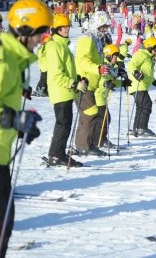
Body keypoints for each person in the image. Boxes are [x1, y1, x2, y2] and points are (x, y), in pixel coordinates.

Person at [0, 0, 46, 257]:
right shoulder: (0, 57)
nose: (42, 38)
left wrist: (20, 122)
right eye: (40, 32)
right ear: (24, 30)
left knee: (1, 224)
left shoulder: (12, 58)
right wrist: (10, 119)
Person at [46, 13, 87, 167]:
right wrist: (73, 83)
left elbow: (67, 70)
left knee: (64, 123)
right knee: (63, 123)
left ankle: (57, 153)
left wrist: (78, 79)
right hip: (60, 90)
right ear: (56, 29)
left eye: (68, 26)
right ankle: (56, 155)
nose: (67, 29)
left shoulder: (62, 45)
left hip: (66, 90)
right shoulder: (54, 46)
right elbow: (57, 74)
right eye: (63, 27)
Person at [74, 11, 111, 157]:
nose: (105, 30)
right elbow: (82, 59)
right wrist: (97, 69)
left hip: (92, 84)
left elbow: (99, 60)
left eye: (106, 26)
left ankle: (90, 144)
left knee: (92, 114)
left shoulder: (97, 39)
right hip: (84, 82)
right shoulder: (87, 38)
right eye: (103, 27)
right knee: (90, 114)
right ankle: (83, 146)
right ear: (96, 25)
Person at [127, 36, 156, 137]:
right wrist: (136, 73)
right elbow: (131, 65)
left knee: (141, 106)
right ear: (150, 47)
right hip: (137, 84)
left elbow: (147, 74)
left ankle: (137, 128)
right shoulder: (141, 53)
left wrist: (155, 82)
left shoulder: (149, 57)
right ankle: (142, 128)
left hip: (141, 85)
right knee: (146, 104)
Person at [34, 31, 51, 97]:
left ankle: (40, 88)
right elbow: (40, 55)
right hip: (44, 67)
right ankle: (42, 89)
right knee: (44, 79)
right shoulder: (42, 48)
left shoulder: (46, 47)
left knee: (44, 78)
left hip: (46, 66)